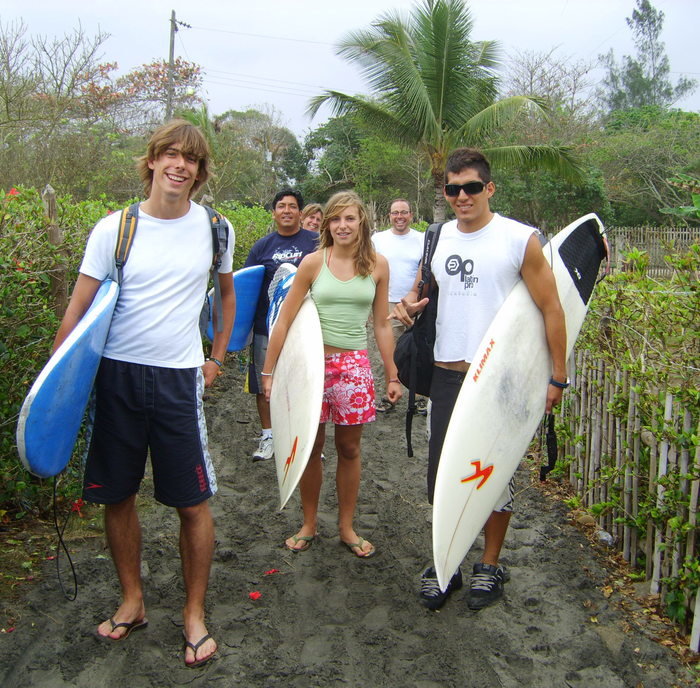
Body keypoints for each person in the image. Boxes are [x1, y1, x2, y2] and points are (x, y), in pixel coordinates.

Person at [51, 120, 235, 667]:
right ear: (152, 161)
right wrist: (54, 384)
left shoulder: (215, 229)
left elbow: (226, 297)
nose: (180, 165)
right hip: (118, 377)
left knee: (193, 502)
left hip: (178, 379)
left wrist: (217, 356)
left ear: (199, 174)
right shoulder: (115, 229)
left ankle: (193, 613)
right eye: (170, 155)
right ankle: (132, 600)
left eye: (192, 160)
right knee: (117, 495)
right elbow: (79, 308)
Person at [391, 148, 567, 611]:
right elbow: (418, 289)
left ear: (489, 188)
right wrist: (408, 305)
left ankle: (489, 564)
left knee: (494, 476)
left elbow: (552, 307)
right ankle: (445, 560)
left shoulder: (518, 239)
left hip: (499, 382)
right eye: (453, 189)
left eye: (471, 187)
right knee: (443, 476)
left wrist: (558, 378)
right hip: (446, 375)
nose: (462, 196)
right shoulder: (437, 238)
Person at [262, 191, 401, 557]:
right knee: (310, 448)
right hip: (311, 367)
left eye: (350, 218)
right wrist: (268, 371)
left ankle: (346, 527)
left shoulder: (378, 265)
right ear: (327, 225)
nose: (342, 225)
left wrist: (392, 373)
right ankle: (308, 524)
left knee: (349, 449)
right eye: (336, 219)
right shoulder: (312, 263)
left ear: (362, 223)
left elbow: (382, 325)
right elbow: (285, 319)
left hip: (353, 368)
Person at [244, 189, 318, 461]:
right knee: (264, 384)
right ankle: (269, 436)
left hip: (306, 328)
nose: (287, 210)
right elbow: (247, 289)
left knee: (305, 382)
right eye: (281, 206)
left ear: (301, 212)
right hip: (267, 327)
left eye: (292, 206)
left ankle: (305, 437)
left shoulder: (316, 242)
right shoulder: (262, 247)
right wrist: (242, 330)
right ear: (274, 212)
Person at [371, 198, 425, 414]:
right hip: (387, 302)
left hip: (417, 303)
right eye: (395, 213)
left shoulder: (422, 239)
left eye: (404, 212)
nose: (400, 216)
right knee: (390, 352)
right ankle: (389, 395)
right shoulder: (378, 239)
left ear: (411, 215)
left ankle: (420, 396)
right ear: (389, 216)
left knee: (419, 350)